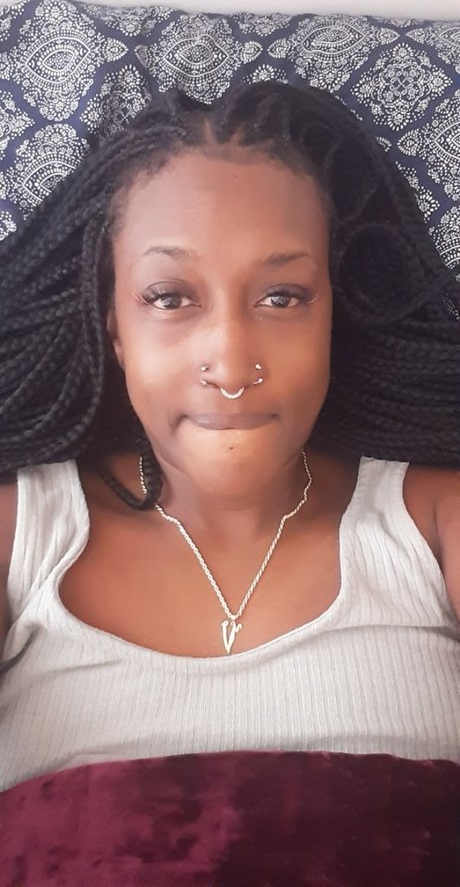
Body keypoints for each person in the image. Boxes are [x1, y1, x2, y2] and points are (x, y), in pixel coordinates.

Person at [0, 81, 459, 793]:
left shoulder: (433, 521)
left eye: (282, 297)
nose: (233, 366)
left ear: (333, 315)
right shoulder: (20, 535)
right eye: (170, 297)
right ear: (114, 326)